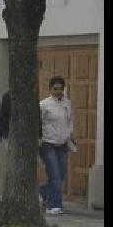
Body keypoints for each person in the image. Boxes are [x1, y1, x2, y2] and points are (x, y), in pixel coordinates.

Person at [39, 76, 74, 215]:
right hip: (48, 144)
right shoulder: (44, 105)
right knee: (55, 175)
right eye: (55, 89)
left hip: (62, 144)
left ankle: (43, 190)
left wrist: (70, 133)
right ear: (50, 89)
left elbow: (70, 120)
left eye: (61, 89)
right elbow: (38, 123)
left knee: (61, 174)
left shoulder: (66, 103)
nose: (58, 91)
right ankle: (54, 205)